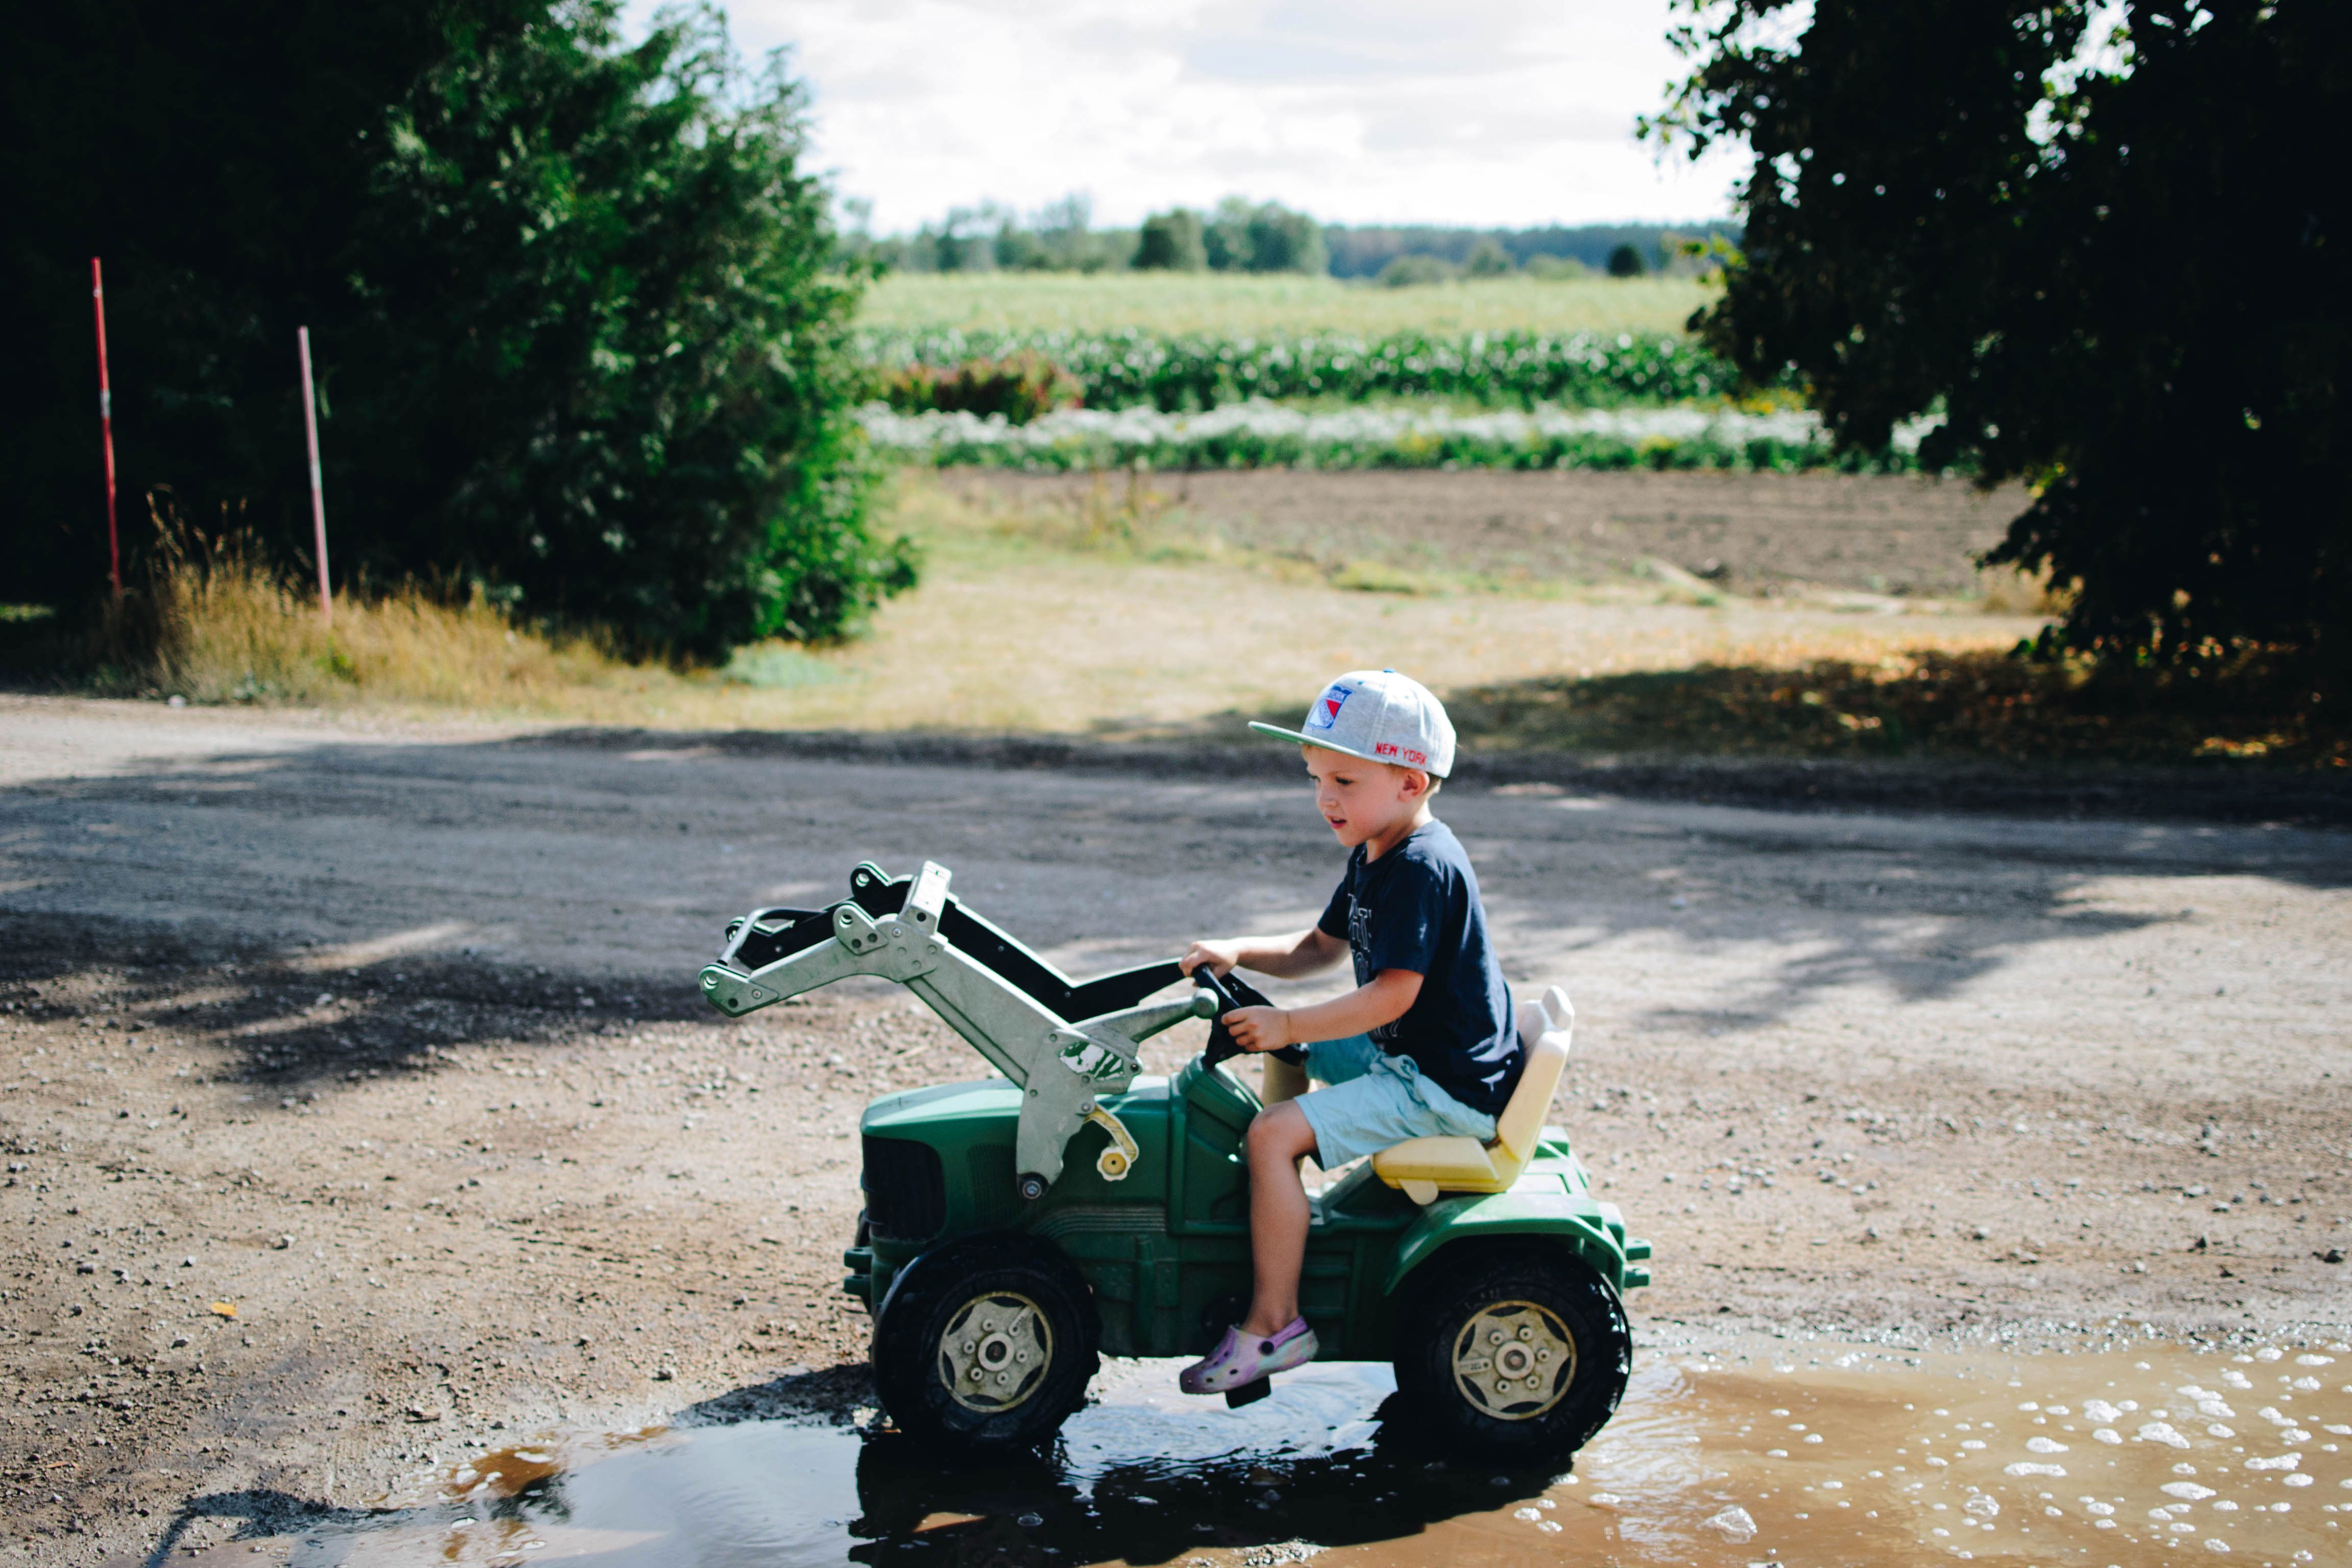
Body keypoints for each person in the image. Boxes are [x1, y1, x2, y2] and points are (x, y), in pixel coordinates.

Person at [1175, 669, 1524, 1395]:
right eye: (1315, 778)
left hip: (1440, 1085)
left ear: (1412, 782)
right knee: (1288, 1060)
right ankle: (1280, 1199)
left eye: (1343, 778)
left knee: (1270, 1132)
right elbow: (1316, 950)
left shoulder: (1421, 868)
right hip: (1419, 1056)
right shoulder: (1375, 850)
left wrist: (1287, 1022)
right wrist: (1238, 950)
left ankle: (1277, 1322)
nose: (1325, 796)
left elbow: (1392, 997)